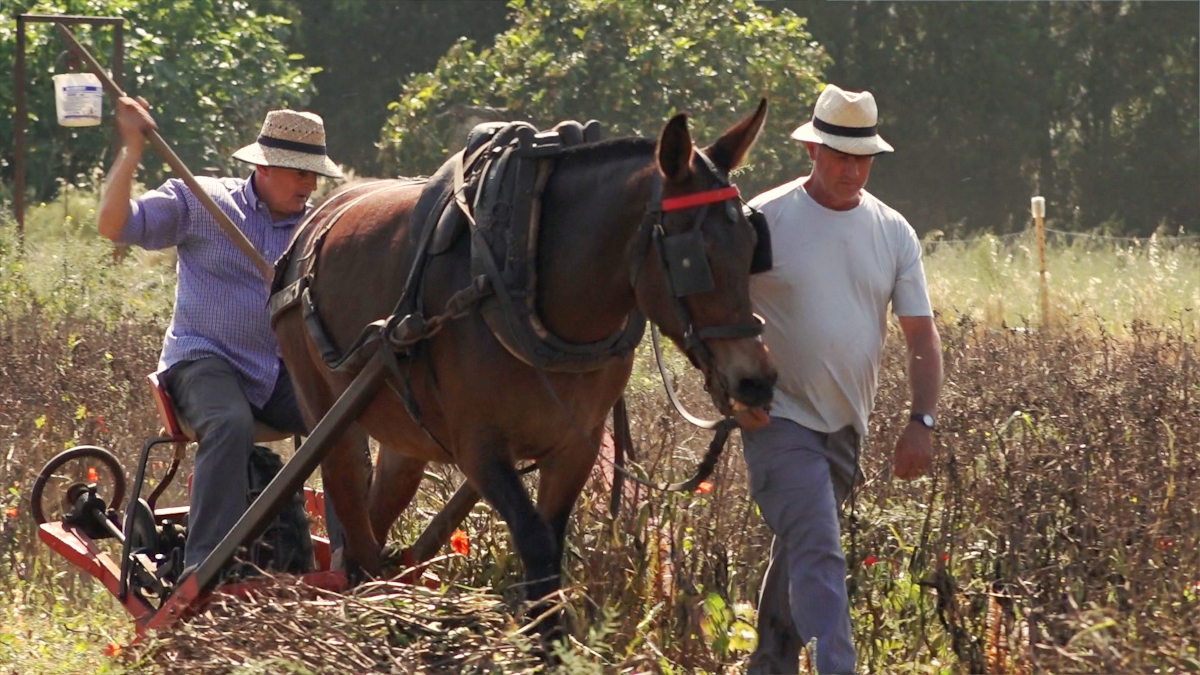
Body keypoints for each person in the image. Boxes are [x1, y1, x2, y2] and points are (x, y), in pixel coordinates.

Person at [737, 84, 944, 674]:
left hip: (846, 426)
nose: (852, 169)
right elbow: (714, 315)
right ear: (812, 151)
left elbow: (921, 336)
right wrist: (735, 395)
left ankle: (769, 667)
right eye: (839, 155)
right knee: (822, 555)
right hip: (778, 419)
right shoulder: (763, 220)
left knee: (802, 552)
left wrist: (920, 420)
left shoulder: (893, 232)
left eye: (862, 158)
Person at [97, 97, 344, 570]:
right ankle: (205, 566)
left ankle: (352, 557)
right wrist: (131, 150)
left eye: (315, 175)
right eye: (299, 172)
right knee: (230, 422)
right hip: (204, 362)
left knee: (342, 419)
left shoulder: (318, 228)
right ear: (265, 167)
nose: (310, 184)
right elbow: (114, 225)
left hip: (278, 371)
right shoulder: (201, 200)